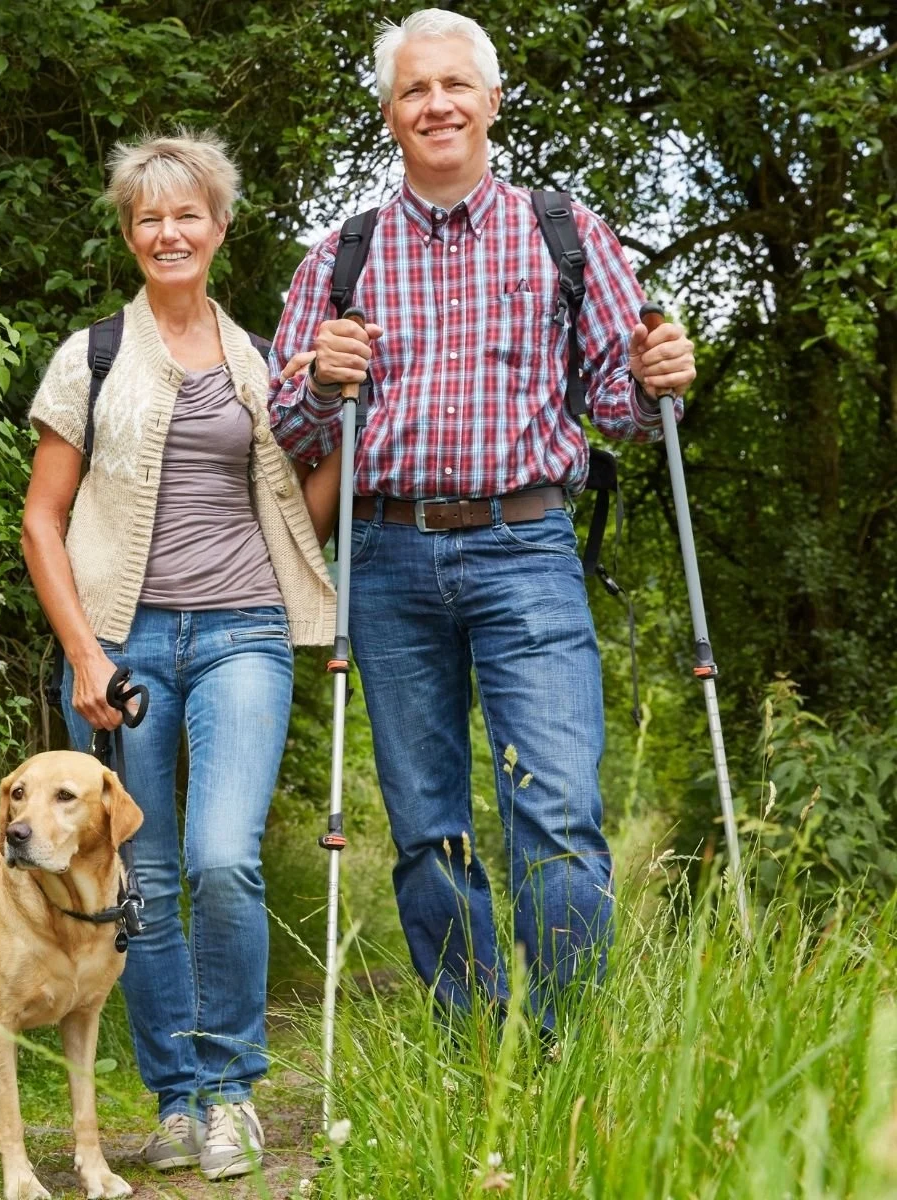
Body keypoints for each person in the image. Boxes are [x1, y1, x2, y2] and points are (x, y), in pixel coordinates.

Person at [268, 10, 698, 1026]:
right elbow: (283, 429)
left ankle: (560, 1048)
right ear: (388, 116)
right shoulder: (340, 255)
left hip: (526, 547)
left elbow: (623, 410)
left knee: (552, 813)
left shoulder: (565, 233)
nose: (436, 105)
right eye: (414, 91)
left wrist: (655, 380)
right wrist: (321, 385)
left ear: (491, 101)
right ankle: (470, 1035)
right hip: (382, 551)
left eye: (454, 85)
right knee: (423, 825)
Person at [22, 131, 336, 1180]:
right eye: (147, 217)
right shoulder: (91, 356)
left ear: (218, 226)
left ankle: (233, 1093)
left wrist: (348, 428)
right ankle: (174, 1099)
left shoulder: (261, 362)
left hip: (244, 628)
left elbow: (299, 513)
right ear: (127, 233)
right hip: (120, 641)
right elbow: (40, 519)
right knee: (137, 875)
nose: (168, 231)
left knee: (220, 857)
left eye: (185, 213)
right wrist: (80, 655)